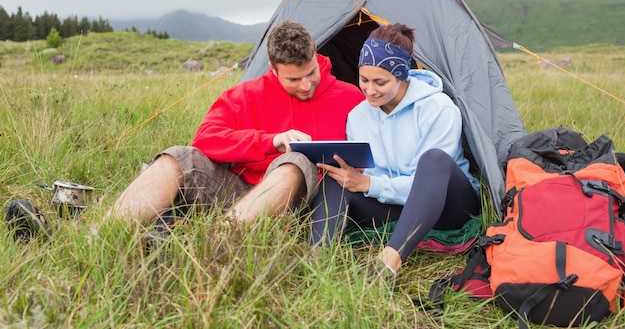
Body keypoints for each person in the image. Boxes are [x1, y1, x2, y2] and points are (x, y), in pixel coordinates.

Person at [101, 20, 364, 234]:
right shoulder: (245, 95)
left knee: (294, 161)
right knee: (179, 157)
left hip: (304, 204)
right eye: (294, 79)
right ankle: (103, 233)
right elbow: (205, 139)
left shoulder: (350, 97)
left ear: (317, 58)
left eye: (311, 74)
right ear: (273, 68)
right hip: (237, 191)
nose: (306, 85)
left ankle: (216, 242)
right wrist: (269, 141)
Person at [309, 23, 481, 283]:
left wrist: (368, 183)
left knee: (434, 159)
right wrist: (356, 178)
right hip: (394, 205)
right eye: (364, 79)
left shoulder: (438, 108)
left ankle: (389, 262)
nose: (369, 90)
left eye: (380, 82)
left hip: (448, 206)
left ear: (401, 75)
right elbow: (366, 176)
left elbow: (426, 182)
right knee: (338, 178)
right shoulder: (358, 116)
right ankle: (315, 260)